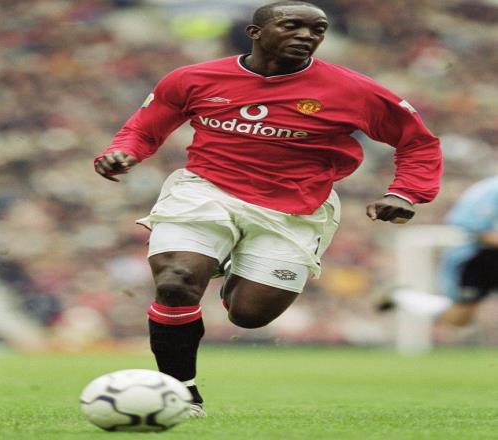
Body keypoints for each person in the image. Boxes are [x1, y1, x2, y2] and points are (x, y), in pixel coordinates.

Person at [94, 0, 442, 416]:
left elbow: (418, 142)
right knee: (176, 280)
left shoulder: (353, 90)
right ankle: (180, 391)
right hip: (206, 191)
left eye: (317, 29)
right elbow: (143, 129)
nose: (306, 36)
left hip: (295, 207)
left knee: (250, 316)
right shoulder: (192, 79)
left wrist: (405, 193)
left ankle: (231, 263)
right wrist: (123, 153)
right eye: (292, 25)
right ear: (255, 32)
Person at [379, 176, 498, 327]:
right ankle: (403, 297)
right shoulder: (490, 191)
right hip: (480, 259)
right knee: (459, 317)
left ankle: (403, 296)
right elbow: (467, 227)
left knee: (460, 318)